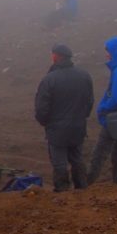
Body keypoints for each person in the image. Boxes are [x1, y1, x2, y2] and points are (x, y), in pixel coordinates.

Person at [35, 44, 94, 192]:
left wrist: (45, 122)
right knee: (77, 158)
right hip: (78, 126)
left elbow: (42, 107)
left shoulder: (49, 79)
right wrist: (82, 117)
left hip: (57, 129)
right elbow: (89, 101)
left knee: (59, 162)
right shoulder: (84, 75)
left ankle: (62, 191)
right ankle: (81, 188)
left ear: (56, 56)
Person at [88, 36, 117, 185]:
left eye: (108, 51)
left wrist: (104, 108)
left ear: (115, 51)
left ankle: (84, 184)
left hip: (115, 118)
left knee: (100, 152)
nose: (106, 54)